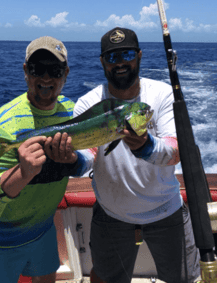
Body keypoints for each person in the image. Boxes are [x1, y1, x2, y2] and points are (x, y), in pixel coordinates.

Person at [74, 28, 200, 283]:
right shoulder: (88, 103)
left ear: (139, 56)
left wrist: (145, 146)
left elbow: (176, 151)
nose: (120, 63)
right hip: (111, 215)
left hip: (166, 211)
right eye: (111, 57)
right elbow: (87, 157)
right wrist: (71, 161)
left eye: (127, 54)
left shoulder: (163, 94)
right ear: (102, 62)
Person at [0, 36, 93, 283]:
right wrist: (23, 174)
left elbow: (87, 159)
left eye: (54, 70)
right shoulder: (3, 124)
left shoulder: (71, 112)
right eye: (37, 69)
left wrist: (73, 159)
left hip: (40, 229)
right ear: (26, 72)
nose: (46, 78)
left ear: (65, 73)